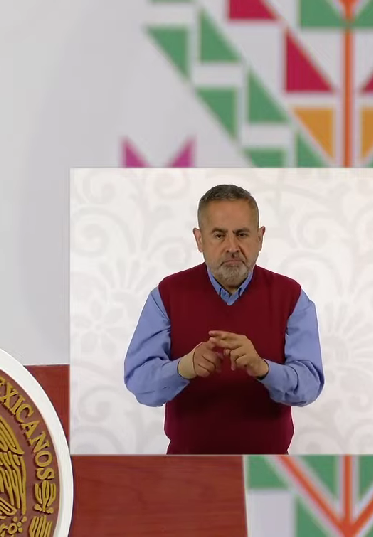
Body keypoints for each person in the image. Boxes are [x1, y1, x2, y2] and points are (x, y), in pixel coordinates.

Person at [121, 184, 325, 455]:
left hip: (270, 467)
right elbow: (138, 381)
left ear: (260, 238)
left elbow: (310, 385)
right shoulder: (167, 295)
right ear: (199, 239)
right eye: (219, 235)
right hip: (186, 466)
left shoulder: (292, 297)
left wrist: (262, 368)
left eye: (242, 234)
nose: (232, 247)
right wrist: (184, 368)